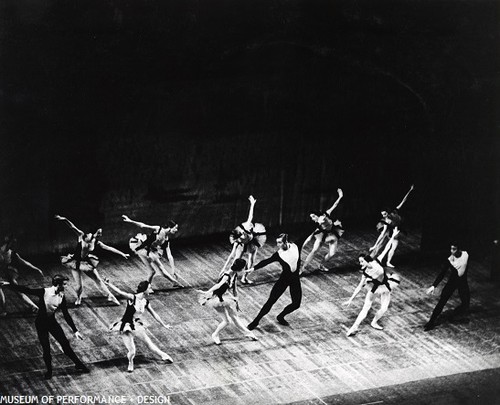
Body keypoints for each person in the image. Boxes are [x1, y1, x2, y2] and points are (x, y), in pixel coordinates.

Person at [1, 275, 89, 379]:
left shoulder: (61, 296)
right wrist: (8, 285)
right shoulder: (44, 292)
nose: (66, 286)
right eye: (64, 284)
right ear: (57, 284)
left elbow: (66, 314)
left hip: (52, 322)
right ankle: (49, 371)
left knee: (65, 344)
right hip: (41, 324)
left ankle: (78, 364)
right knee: (46, 348)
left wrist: (75, 331)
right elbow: (27, 290)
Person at [55, 215, 129, 306]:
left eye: (100, 233)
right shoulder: (81, 236)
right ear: (93, 232)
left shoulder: (96, 242)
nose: (100, 235)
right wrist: (65, 219)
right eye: (99, 232)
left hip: (86, 263)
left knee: (98, 280)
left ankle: (111, 296)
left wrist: (122, 253)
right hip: (75, 262)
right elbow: (72, 227)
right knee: (78, 286)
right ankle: (79, 297)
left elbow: (109, 248)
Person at [105, 278, 173, 372]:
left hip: (136, 325)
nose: (151, 290)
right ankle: (130, 362)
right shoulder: (132, 297)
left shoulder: (145, 302)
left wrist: (164, 324)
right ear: (144, 290)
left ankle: (164, 355)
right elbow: (120, 292)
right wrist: (109, 284)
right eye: (150, 288)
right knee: (132, 351)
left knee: (149, 343)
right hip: (126, 327)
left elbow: (154, 314)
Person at [344, 230, 401, 336]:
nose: (360, 263)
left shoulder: (377, 261)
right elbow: (359, 286)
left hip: (386, 285)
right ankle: (353, 327)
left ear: (367, 261)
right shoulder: (365, 273)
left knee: (384, 308)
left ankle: (374, 321)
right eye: (359, 261)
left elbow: (386, 247)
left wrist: (392, 236)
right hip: (374, 288)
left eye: (362, 261)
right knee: (366, 307)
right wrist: (350, 299)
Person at [246, 233, 303, 330]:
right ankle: (255, 321)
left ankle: (281, 316)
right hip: (283, 280)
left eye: (280, 242)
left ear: (286, 242)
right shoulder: (279, 254)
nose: (278, 245)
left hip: (295, 280)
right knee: (270, 301)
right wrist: (253, 268)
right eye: (277, 242)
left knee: (296, 304)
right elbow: (266, 261)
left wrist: (319, 223)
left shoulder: (296, 246)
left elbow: (306, 234)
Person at [198, 258, 258, 345]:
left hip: (225, 297)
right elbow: (218, 285)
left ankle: (249, 333)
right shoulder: (227, 275)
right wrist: (207, 292)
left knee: (235, 317)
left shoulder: (235, 274)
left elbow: (235, 289)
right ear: (240, 268)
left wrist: (236, 301)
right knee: (227, 321)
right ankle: (215, 334)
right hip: (217, 299)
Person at [122, 215, 183, 289]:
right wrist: (130, 220)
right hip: (141, 248)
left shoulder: (166, 240)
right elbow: (143, 225)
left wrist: (173, 270)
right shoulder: (159, 229)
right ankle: (147, 288)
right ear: (170, 227)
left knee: (160, 268)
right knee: (152, 271)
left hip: (150, 251)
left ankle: (174, 282)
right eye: (175, 228)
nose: (176, 230)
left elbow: (170, 256)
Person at [424, 243, 470, 331]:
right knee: (442, 301)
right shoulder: (450, 260)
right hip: (452, 281)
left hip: (462, 282)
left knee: (466, 303)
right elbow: (442, 273)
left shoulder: (465, 255)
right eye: (451, 249)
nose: (452, 251)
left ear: (459, 249)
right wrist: (434, 286)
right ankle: (431, 322)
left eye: (454, 249)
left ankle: (455, 314)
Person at [222, 195, 267, 284]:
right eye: (240, 239)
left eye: (242, 236)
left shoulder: (246, 228)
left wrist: (252, 204)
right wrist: (224, 267)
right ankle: (231, 279)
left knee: (251, 262)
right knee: (236, 261)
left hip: (252, 243)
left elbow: (250, 216)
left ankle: (244, 278)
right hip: (243, 246)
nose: (241, 238)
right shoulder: (238, 242)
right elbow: (231, 256)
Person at [370, 184, 414, 267]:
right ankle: (372, 259)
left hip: (396, 231)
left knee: (393, 247)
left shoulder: (395, 212)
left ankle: (388, 262)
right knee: (382, 246)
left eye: (385, 214)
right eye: (382, 214)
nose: (384, 215)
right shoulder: (386, 220)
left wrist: (410, 191)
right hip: (390, 233)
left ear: (388, 212)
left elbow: (404, 201)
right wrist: (374, 245)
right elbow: (383, 233)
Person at [0, 235, 44, 316]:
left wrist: (36, 269)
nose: (13, 246)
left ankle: (34, 307)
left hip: (7, 274)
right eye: (12, 244)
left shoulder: (12, 253)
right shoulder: (3, 251)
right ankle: (3, 310)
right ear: (8, 243)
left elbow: (23, 262)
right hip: (3, 274)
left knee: (18, 292)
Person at [302, 188, 344, 272]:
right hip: (322, 235)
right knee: (314, 251)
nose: (312, 219)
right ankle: (302, 268)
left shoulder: (326, 214)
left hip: (332, 234)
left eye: (313, 216)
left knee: (332, 253)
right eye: (311, 217)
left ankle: (321, 264)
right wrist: (303, 245)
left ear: (317, 215)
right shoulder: (317, 224)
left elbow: (334, 205)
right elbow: (310, 236)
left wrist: (340, 196)